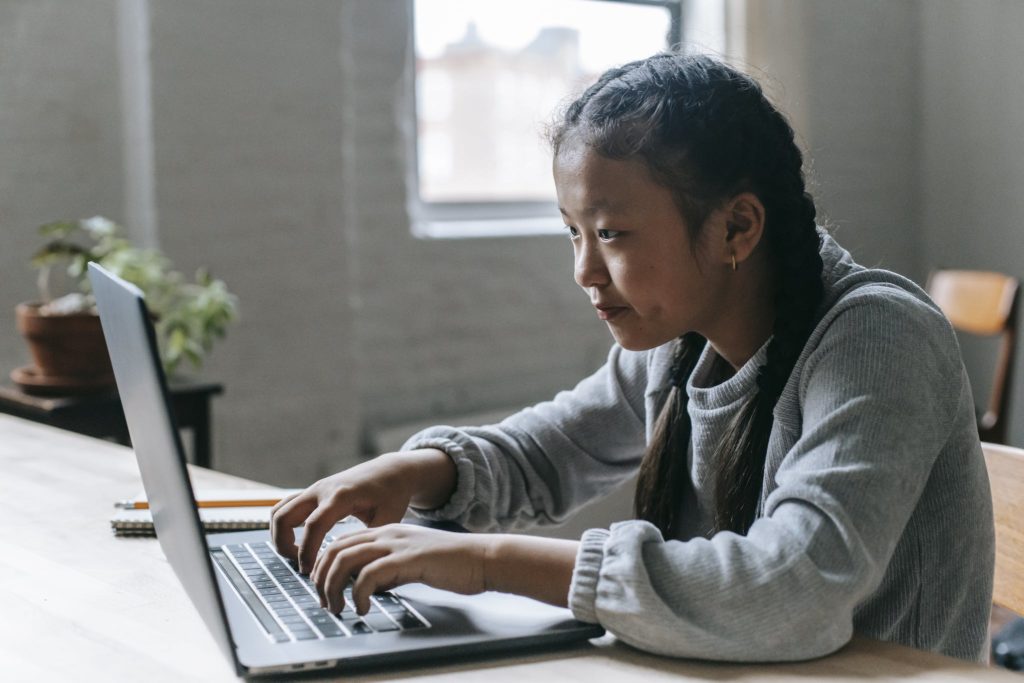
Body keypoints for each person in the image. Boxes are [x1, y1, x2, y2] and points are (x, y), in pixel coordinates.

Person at [271, 52, 994, 663]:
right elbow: (551, 449)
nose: (584, 270)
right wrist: (418, 469)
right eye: (572, 232)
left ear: (737, 226)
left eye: (612, 233)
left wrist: (487, 561)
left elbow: (792, 586)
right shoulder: (681, 335)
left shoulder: (878, 337)